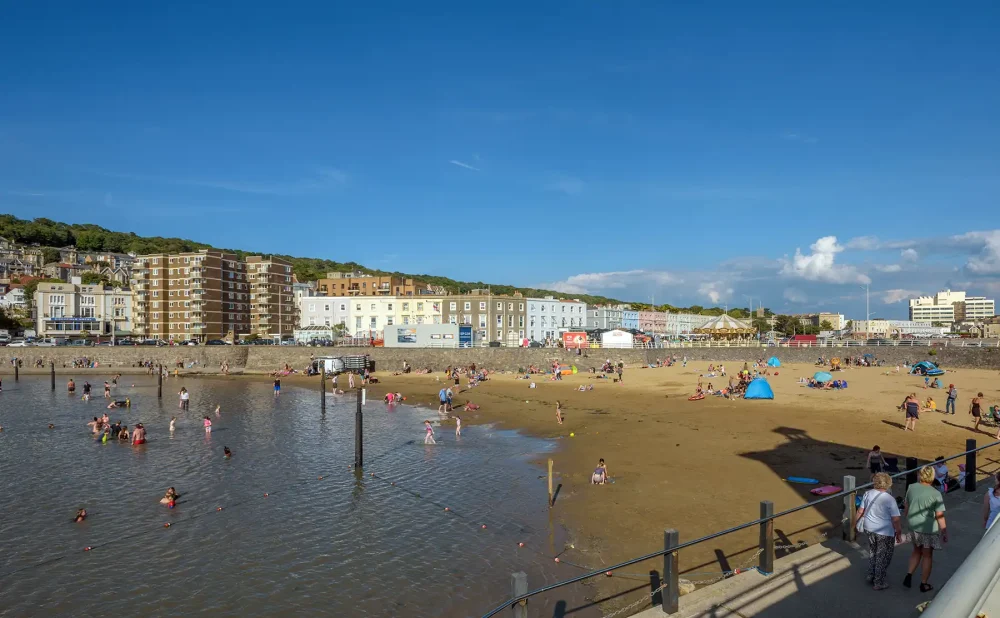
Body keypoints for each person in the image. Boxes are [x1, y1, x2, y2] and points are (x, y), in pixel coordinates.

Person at [903, 466, 948, 593]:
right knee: (927, 555)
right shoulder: (936, 493)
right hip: (927, 528)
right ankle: (924, 583)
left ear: (920, 475)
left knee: (916, 550)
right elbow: (939, 515)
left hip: (913, 525)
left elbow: (906, 506)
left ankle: (909, 574)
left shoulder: (912, 487)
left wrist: (907, 518)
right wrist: (944, 531)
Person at [856, 472, 902, 590]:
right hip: (884, 531)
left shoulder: (867, 494)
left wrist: (854, 524)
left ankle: (871, 573)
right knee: (884, 555)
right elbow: (896, 519)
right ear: (888, 484)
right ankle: (879, 581)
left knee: (873, 550)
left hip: (869, 528)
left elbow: (860, 511)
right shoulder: (890, 499)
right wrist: (898, 533)